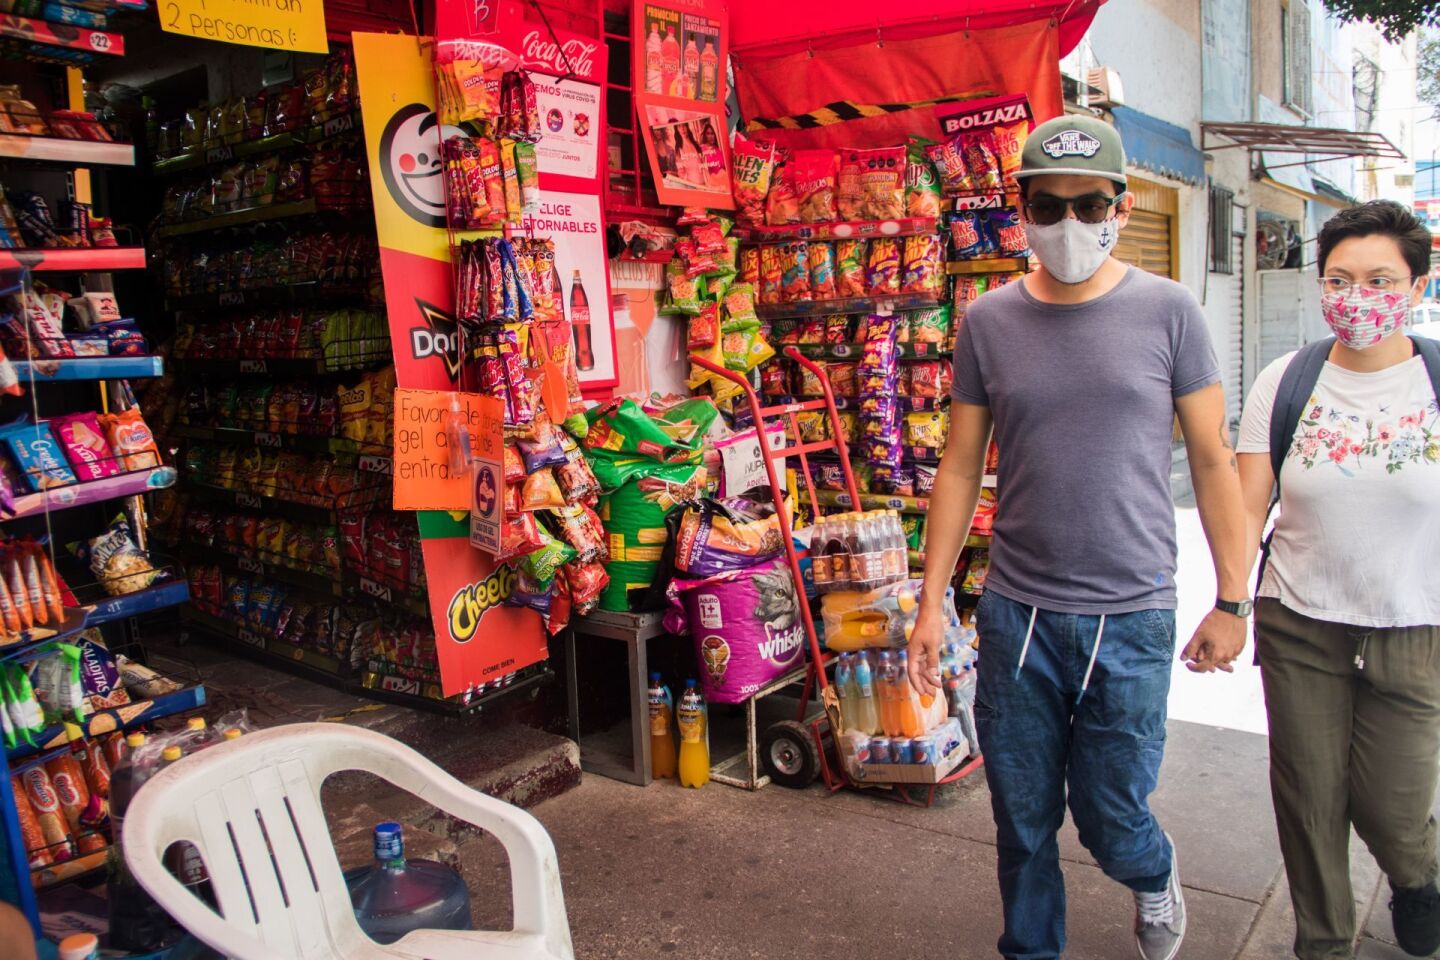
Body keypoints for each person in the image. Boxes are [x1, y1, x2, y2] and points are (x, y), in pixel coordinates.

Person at [908, 114, 1250, 960]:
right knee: (1021, 818)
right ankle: (1031, 949)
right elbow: (960, 465)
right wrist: (929, 602)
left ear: (1120, 207)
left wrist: (1234, 599)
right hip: (1018, 613)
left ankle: (1152, 874)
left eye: (1086, 204)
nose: (1067, 224)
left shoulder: (1171, 313)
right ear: (1020, 208)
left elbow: (1212, 460)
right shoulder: (989, 322)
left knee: (1112, 816)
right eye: (1047, 205)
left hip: (1131, 616)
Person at [1236, 200, 1440, 960]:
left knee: (1393, 808)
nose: (1358, 296)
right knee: (1310, 803)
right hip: (1300, 623)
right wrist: (1229, 602)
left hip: (1414, 629)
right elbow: (1245, 500)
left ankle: (1418, 877)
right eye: (1340, 278)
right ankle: (1322, 944)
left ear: (1415, 285)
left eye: (1380, 279)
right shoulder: (1286, 381)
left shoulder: (1436, 380)